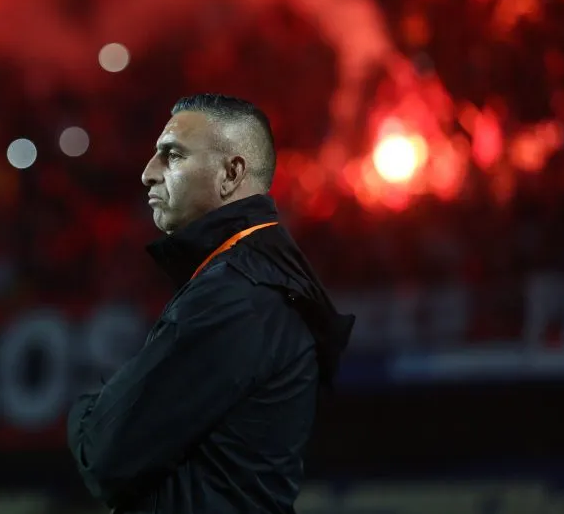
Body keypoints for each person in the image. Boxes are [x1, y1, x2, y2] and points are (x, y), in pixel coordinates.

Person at [67, 94, 355, 513]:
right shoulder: (256, 279)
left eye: (172, 156)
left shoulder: (233, 295)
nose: (148, 173)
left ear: (230, 173)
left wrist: (81, 412)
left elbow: (104, 456)